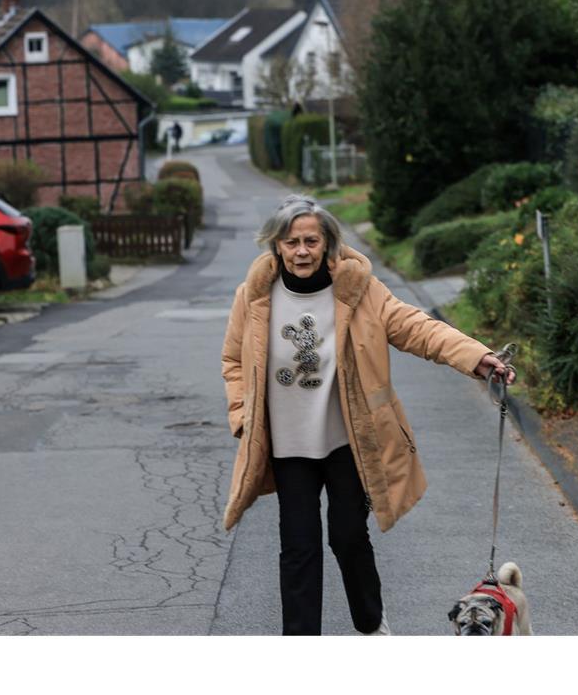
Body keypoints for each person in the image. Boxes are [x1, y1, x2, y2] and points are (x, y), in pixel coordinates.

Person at [220, 194, 516, 636]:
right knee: (297, 547)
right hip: (287, 446)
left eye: (311, 241)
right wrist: (243, 416)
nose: (301, 251)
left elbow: (416, 327)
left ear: (328, 244)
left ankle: (371, 623)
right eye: (291, 242)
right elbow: (233, 362)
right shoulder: (254, 297)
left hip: (346, 441)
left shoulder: (359, 291)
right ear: (276, 246)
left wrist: (476, 357)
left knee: (348, 537)